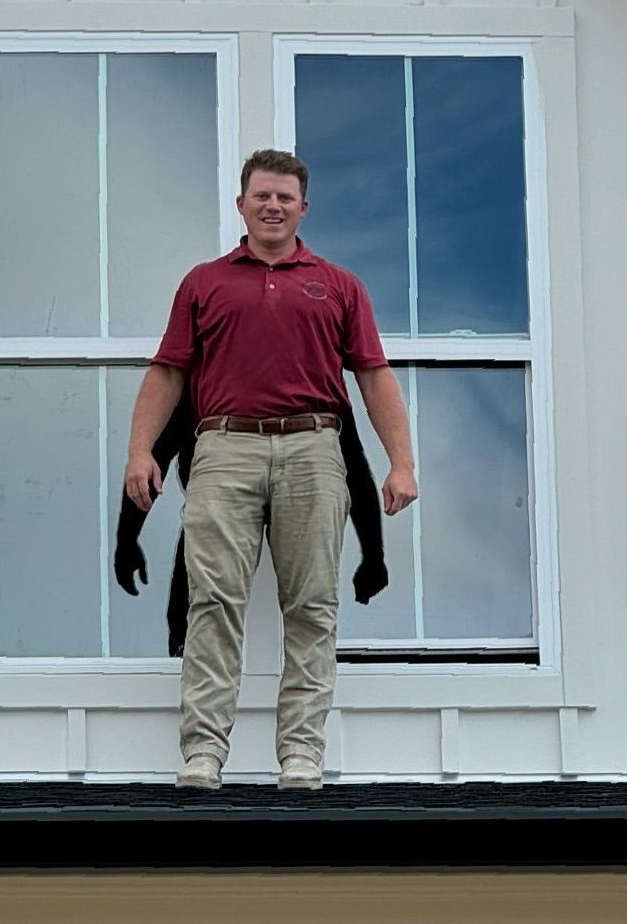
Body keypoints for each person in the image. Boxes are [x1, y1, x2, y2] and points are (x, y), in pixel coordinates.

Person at [123, 147, 419, 791]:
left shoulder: (339, 285)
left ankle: (300, 754)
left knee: (312, 604)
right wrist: (140, 449)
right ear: (242, 204)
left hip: (315, 448)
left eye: (285, 197)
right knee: (213, 601)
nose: (273, 205)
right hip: (224, 448)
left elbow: (373, 372)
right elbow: (169, 369)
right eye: (262, 195)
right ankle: (203, 752)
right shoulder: (205, 283)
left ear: (303, 208)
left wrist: (401, 462)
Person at [113, 383, 391, 657]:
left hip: (291, 497)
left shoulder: (312, 383)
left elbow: (353, 469)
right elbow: (156, 459)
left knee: (307, 612)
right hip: (219, 504)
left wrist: (373, 555)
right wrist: (127, 538)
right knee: (200, 611)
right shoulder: (209, 384)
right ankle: (186, 655)